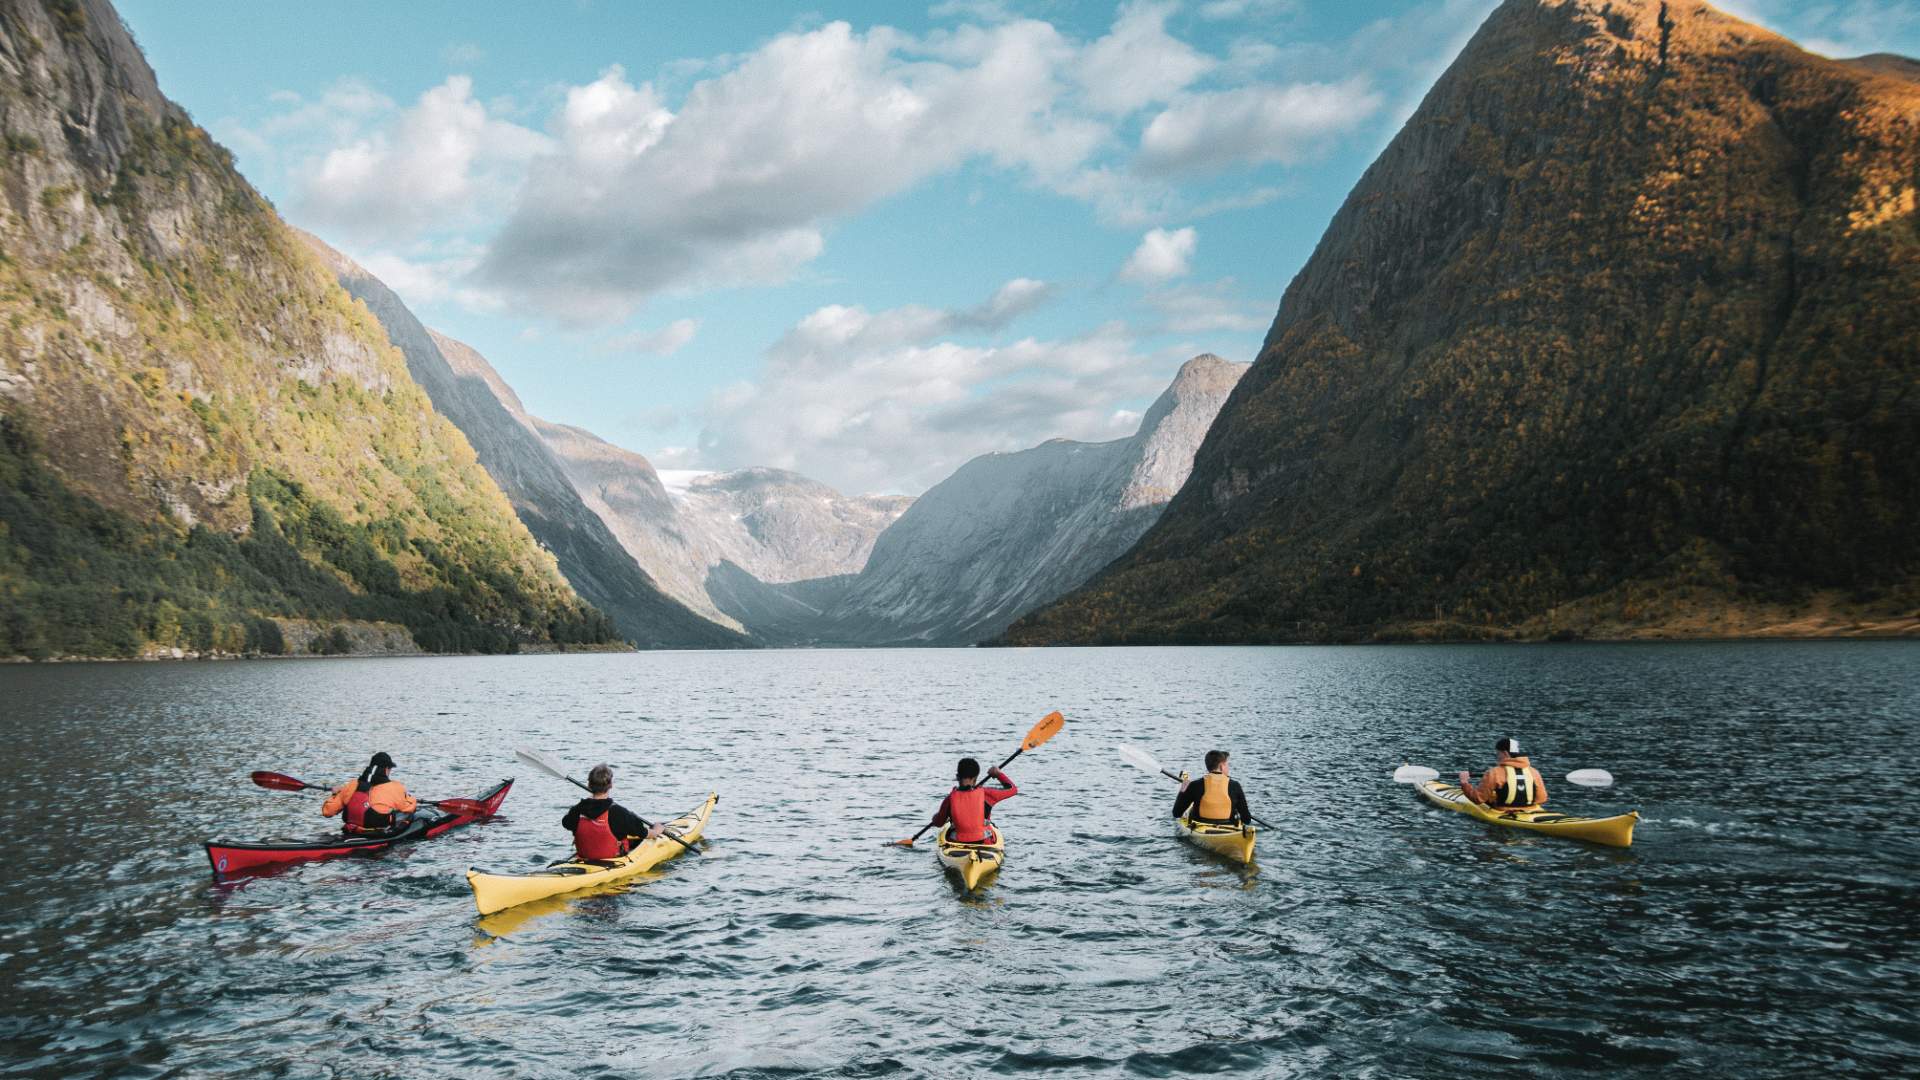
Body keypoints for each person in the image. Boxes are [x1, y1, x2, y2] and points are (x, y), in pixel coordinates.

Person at [561, 764, 665, 861]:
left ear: (589, 784)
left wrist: (583, 805)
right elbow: (643, 833)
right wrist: (657, 830)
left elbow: (566, 823)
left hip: (585, 857)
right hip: (613, 859)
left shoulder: (577, 810)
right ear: (610, 785)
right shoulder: (619, 812)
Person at [321, 752, 418, 834]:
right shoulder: (395, 787)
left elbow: (327, 812)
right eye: (390, 769)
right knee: (407, 814)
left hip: (352, 831)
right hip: (378, 834)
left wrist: (335, 794)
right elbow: (409, 808)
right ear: (386, 769)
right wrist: (409, 798)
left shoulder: (351, 785)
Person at [927, 757, 1016, 844]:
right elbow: (1013, 789)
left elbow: (939, 823)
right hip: (984, 843)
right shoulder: (987, 794)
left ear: (957, 777)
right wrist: (999, 775)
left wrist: (935, 817)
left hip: (957, 843)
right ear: (976, 777)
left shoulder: (949, 799)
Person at [1458, 737, 1548, 809]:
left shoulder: (1494, 773)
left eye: (1498, 753)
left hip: (1502, 810)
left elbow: (1477, 798)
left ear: (1505, 753)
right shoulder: (1534, 772)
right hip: (1529, 810)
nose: (1497, 757)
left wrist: (1464, 783)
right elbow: (1542, 799)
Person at [1172, 749, 1252, 824]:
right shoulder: (1235, 785)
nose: (1228, 768)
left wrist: (1183, 790)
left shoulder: (1194, 785)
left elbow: (1176, 813)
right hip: (1228, 829)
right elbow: (1247, 819)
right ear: (1221, 766)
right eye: (1227, 765)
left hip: (1200, 827)